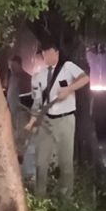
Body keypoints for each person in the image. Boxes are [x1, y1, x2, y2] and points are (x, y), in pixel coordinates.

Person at [25, 44, 90, 199]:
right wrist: (33, 120)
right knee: (41, 162)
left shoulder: (67, 68)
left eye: (48, 53)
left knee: (66, 162)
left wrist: (69, 89)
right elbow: (37, 101)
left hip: (65, 119)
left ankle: (65, 198)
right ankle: (40, 198)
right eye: (43, 54)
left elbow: (85, 78)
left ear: (56, 53)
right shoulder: (38, 76)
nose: (46, 56)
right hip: (46, 121)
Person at [6, 55, 33, 134]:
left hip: (23, 114)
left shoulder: (27, 78)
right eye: (10, 66)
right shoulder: (12, 79)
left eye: (12, 65)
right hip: (13, 115)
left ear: (18, 65)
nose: (11, 68)